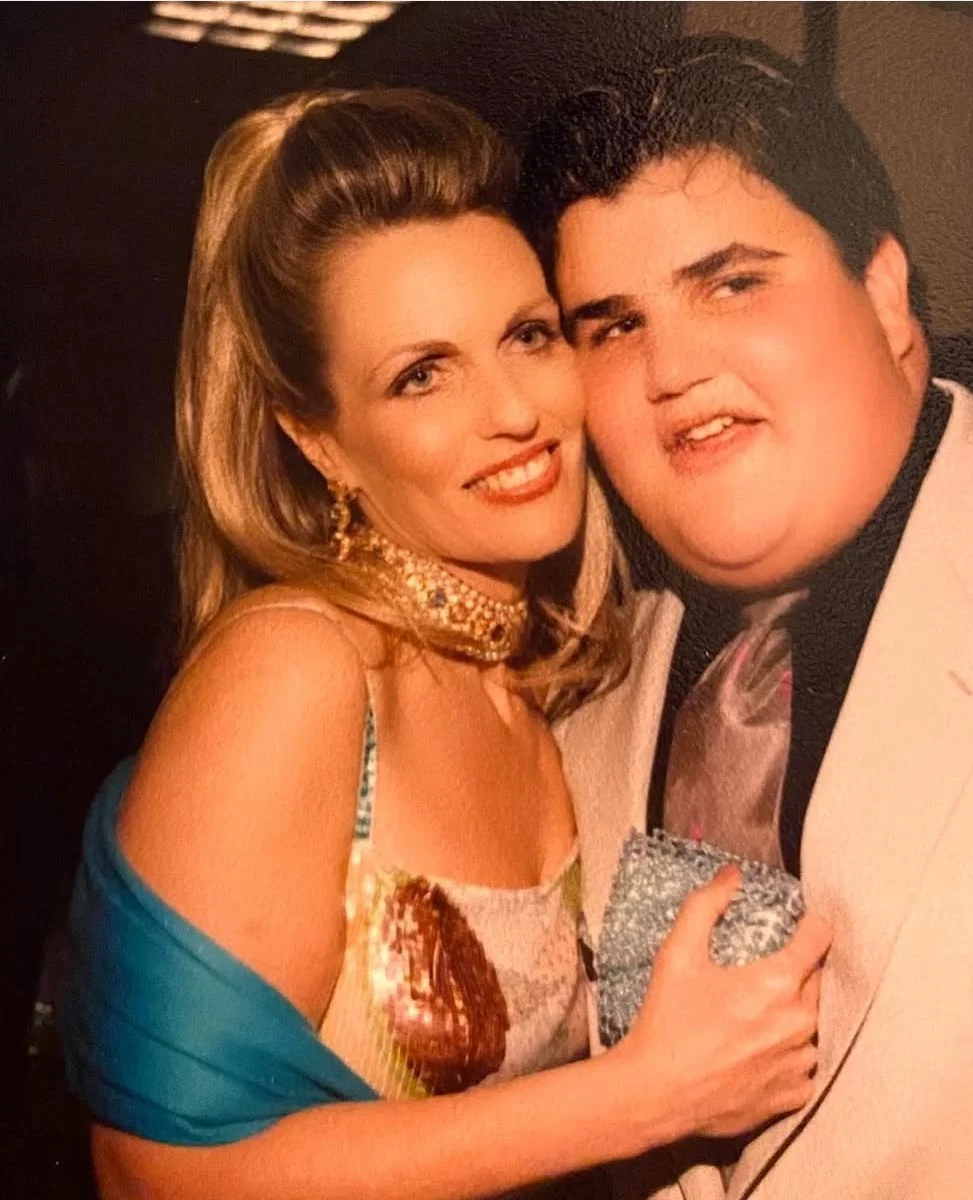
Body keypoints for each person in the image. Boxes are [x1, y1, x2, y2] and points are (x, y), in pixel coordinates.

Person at [59, 86, 833, 1200]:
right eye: (421, 375)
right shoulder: (296, 667)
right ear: (318, 441)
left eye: (528, 336)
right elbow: (151, 1174)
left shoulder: (547, 690)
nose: (512, 411)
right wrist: (645, 1096)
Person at [519, 35, 973, 1200]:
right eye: (613, 326)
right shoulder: (575, 706)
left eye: (732, 283)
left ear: (883, 292)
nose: (672, 367)